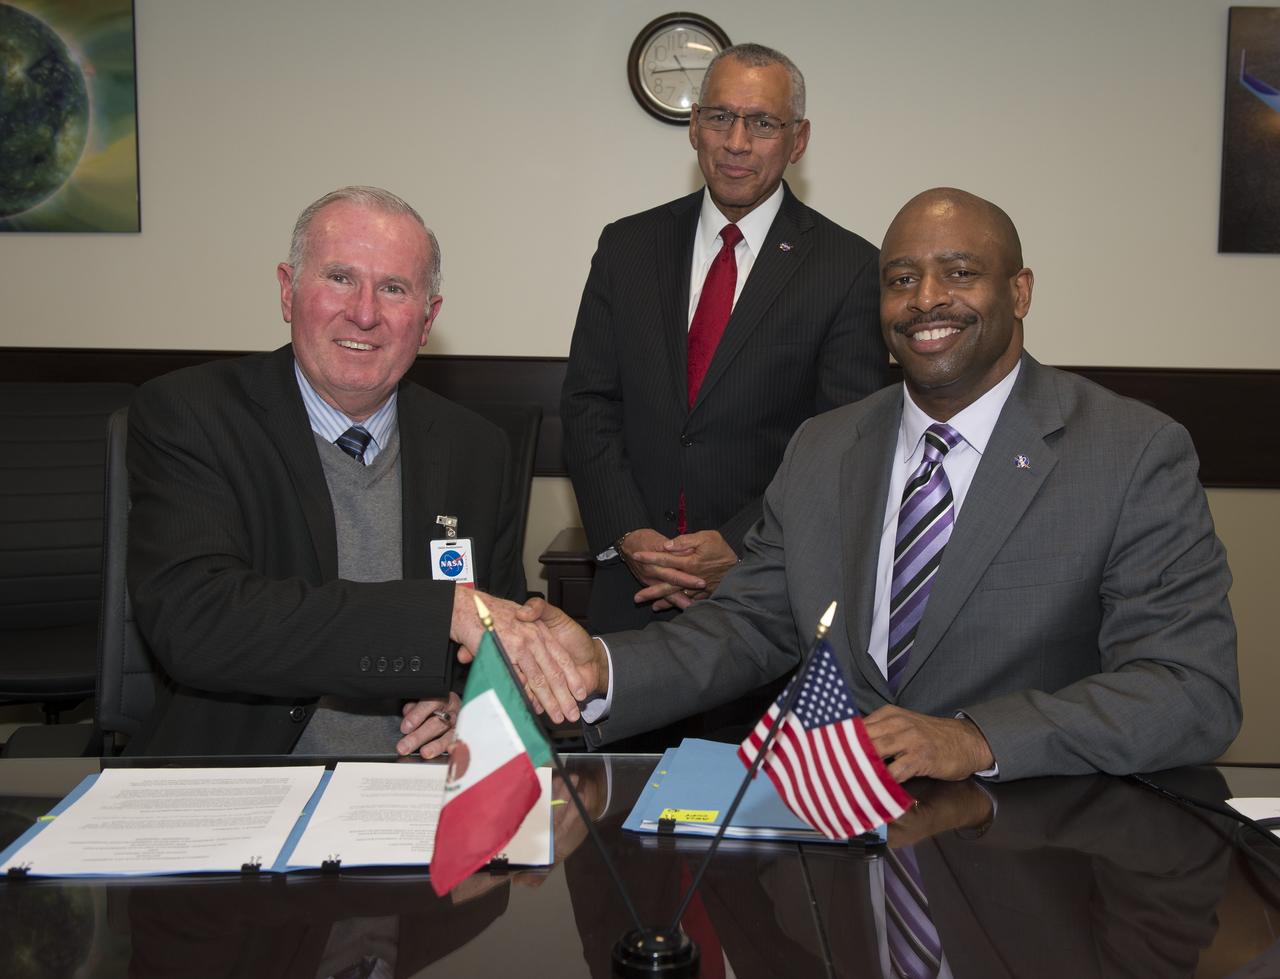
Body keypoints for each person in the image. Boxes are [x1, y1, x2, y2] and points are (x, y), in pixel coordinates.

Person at [504, 187, 1241, 782]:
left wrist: (976, 739)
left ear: (1019, 290)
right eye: (900, 279)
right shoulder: (825, 447)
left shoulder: (1131, 453)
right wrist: (598, 665)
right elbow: (750, 625)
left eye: (959, 272)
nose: (926, 299)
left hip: (1031, 855)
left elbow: (1188, 689)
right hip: (828, 861)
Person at [127, 186, 529, 757]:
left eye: (393, 288)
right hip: (242, 778)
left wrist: (461, 702)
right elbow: (198, 623)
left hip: (412, 785)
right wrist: (439, 615)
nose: (364, 313)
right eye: (340, 278)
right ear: (289, 292)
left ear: (427, 318)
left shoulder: (477, 448)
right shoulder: (191, 415)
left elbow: (496, 638)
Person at [562, 42, 887, 635]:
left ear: (799, 139)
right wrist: (630, 533)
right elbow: (588, 404)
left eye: (763, 123)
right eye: (720, 117)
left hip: (765, 594)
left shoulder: (849, 268)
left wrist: (738, 544)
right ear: (694, 128)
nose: (737, 142)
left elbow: (843, 445)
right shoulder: (626, 247)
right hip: (630, 590)